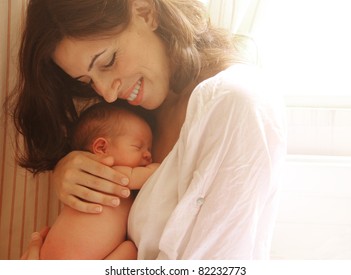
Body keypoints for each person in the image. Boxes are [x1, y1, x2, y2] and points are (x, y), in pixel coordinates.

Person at [11, 0, 286, 259]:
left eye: (107, 61)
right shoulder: (140, 115)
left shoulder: (235, 103)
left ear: (145, 12)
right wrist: (70, 170)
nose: (106, 93)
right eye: (87, 80)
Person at [40, 102, 159, 259]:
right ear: (102, 148)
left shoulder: (87, 181)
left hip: (52, 255)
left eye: (149, 149)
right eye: (138, 147)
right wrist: (160, 164)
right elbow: (149, 175)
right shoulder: (109, 174)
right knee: (130, 249)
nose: (148, 155)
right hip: (73, 258)